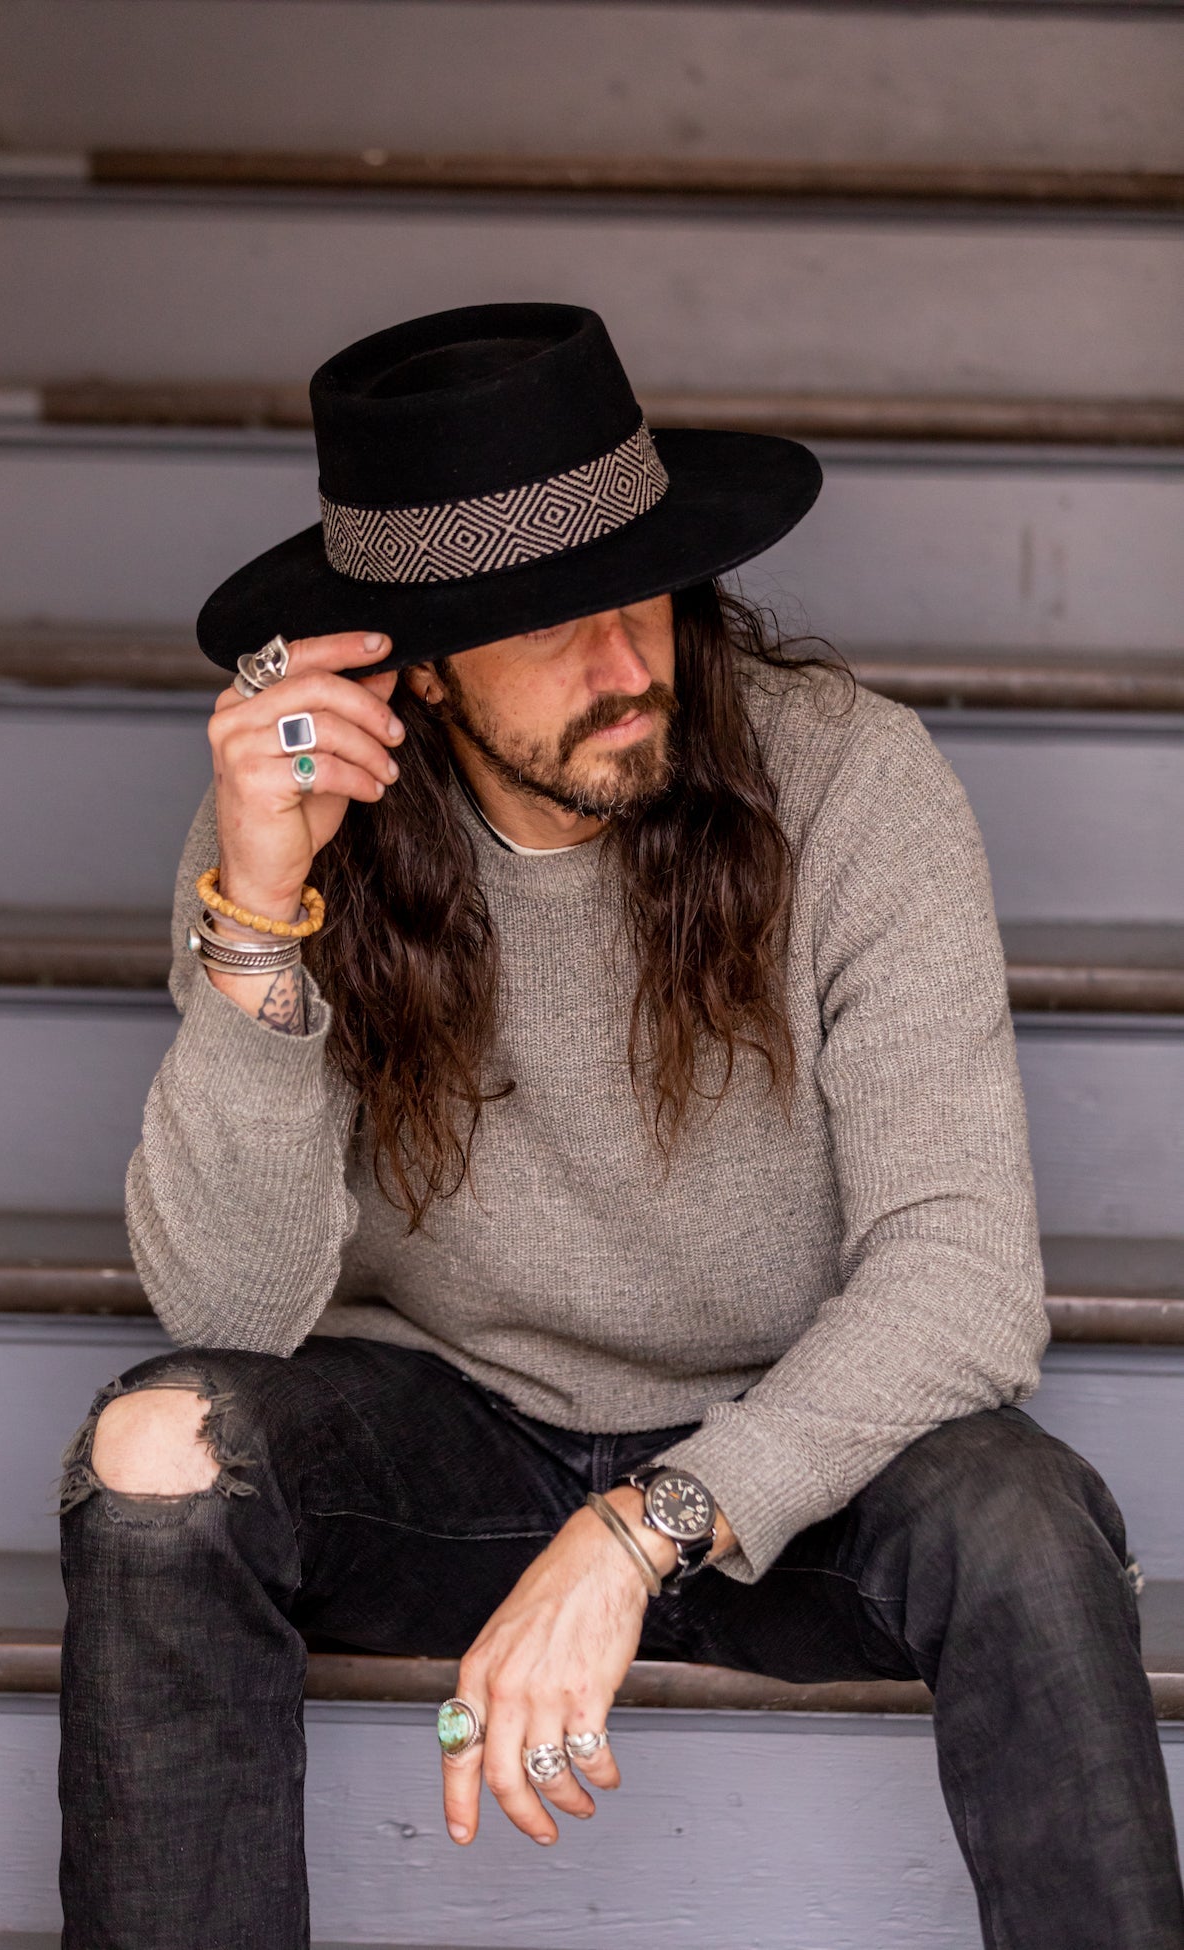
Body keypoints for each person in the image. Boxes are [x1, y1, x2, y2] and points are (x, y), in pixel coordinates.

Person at [57, 303, 1184, 1950]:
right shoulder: (290, 836)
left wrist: (638, 1529)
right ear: (416, 663)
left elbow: (965, 1283)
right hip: (454, 1438)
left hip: (785, 1455)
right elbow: (230, 1310)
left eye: (641, 588)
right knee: (156, 1452)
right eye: (547, 623)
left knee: (1024, 1518)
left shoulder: (854, 783)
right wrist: (260, 911)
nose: (625, 664)